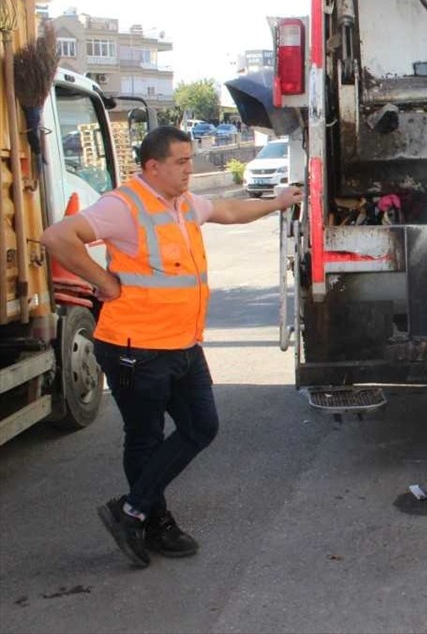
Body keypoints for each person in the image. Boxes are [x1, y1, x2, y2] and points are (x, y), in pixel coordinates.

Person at [40, 126, 302, 568]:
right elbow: (57, 236)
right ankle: (154, 521)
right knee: (144, 438)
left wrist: (278, 202)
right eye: (181, 162)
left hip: (182, 343)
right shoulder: (122, 206)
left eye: (190, 160)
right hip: (135, 347)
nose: (190, 170)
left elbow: (229, 211)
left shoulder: (183, 203)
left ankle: (132, 510)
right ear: (152, 166)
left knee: (201, 426)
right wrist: (101, 281)